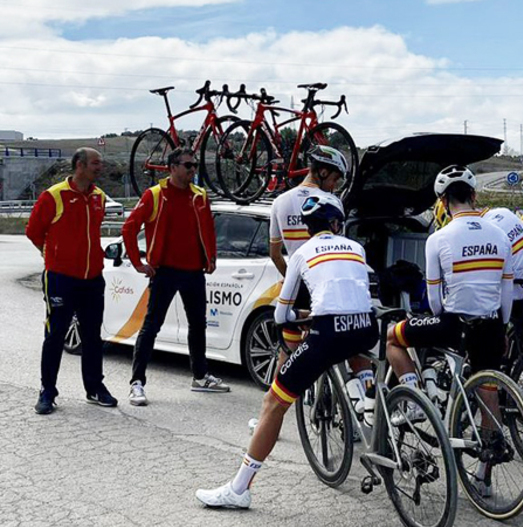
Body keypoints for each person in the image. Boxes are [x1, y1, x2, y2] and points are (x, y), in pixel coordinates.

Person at [196, 193, 377, 508]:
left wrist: (300, 317)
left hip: (328, 332)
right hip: (366, 326)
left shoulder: (302, 253)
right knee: (355, 347)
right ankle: (370, 405)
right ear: (336, 224)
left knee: (272, 403)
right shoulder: (357, 248)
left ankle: (239, 489)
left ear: (309, 229)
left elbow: (281, 315)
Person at [385, 165, 513, 426]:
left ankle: (413, 401)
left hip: (454, 324)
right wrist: (502, 326)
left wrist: (439, 321)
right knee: (487, 387)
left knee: (392, 338)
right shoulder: (500, 236)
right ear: (474, 196)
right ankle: (493, 445)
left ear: (443, 202)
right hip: (491, 325)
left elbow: (434, 299)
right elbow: (506, 293)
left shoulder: (439, 238)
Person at [122, 147, 227, 406]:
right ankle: (137, 383)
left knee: (198, 325)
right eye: (188, 165)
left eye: (195, 166)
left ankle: (200, 377)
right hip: (164, 271)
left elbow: (209, 230)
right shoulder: (155, 195)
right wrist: (138, 263)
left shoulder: (200, 196)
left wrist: (211, 257)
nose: (193, 170)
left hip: (194, 271)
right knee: (151, 327)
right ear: (173, 167)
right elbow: (129, 227)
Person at [267, 146, 372, 388]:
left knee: (287, 356)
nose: (335, 186)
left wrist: (296, 279)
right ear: (323, 172)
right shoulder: (332, 202)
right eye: (335, 178)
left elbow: (274, 254)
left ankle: (274, 405)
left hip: (298, 290)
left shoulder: (280, 201)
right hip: (329, 289)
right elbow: (339, 249)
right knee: (352, 350)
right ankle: (364, 402)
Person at [25, 147, 117, 414]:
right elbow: (33, 232)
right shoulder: (54, 195)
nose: (100, 167)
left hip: (92, 279)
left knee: (92, 336)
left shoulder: (99, 196)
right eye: (95, 163)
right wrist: (52, 256)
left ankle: (95, 388)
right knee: (55, 336)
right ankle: (47, 391)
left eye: (101, 163)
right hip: (60, 278)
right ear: (80, 165)